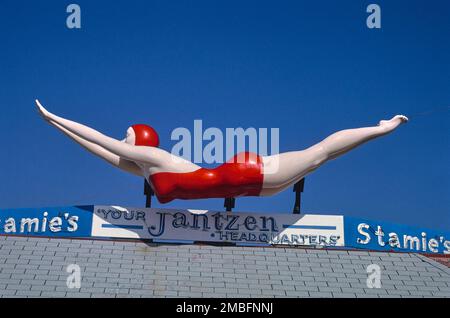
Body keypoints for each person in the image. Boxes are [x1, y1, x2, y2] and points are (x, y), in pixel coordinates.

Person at [36, 99, 408, 203]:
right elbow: (101, 152)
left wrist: (57, 116)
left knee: (320, 152)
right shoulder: (148, 172)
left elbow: (104, 141)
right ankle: (377, 131)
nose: (123, 141)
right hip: (257, 189)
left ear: (140, 142)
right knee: (319, 160)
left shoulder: (156, 159)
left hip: (241, 175)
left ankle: (381, 128)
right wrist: (55, 127)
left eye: (127, 136)